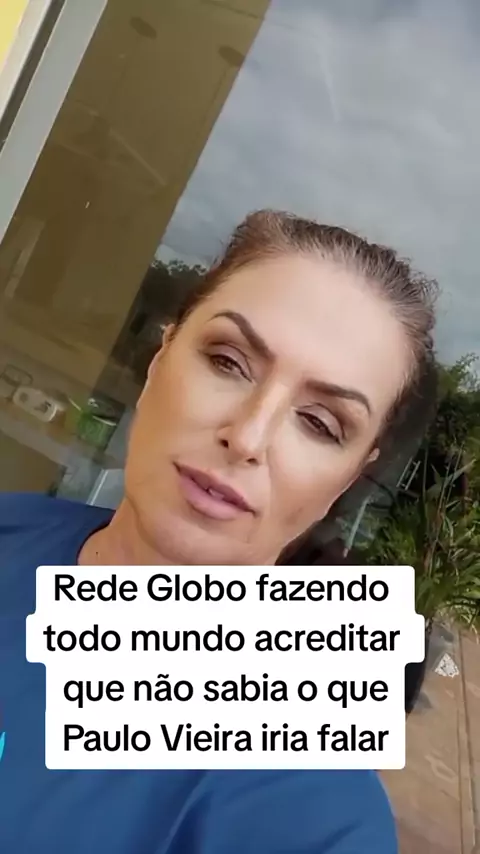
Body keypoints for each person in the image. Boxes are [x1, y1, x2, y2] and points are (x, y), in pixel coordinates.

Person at [0, 210, 437, 853]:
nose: (249, 436)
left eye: (320, 423)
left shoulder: (311, 815)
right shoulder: (13, 528)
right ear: (159, 362)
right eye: (229, 361)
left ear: (347, 480)